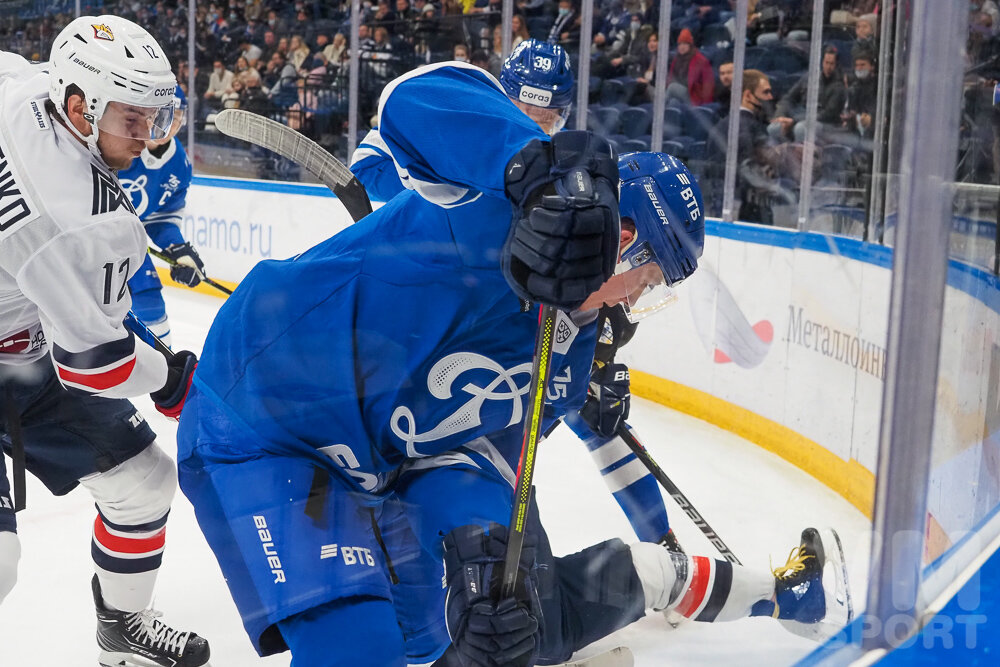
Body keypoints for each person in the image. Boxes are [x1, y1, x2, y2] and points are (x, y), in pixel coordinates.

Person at [176, 61, 852, 666]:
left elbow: (481, 455)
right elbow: (414, 97)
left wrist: (482, 544)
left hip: (373, 461)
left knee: (445, 628)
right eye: (648, 278)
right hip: (262, 415)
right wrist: (533, 168)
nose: (642, 296)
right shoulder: (493, 202)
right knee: (356, 646)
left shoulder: (570, 350)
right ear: (623, 242)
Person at [353, 37, 679, 550]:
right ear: (503, 96)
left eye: (550, 115)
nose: (539, 124)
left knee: (594, 416)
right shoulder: (459, 123)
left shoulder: (554, 166)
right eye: (526, 109)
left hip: (520, 302)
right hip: (440, 301)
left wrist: (598, 338)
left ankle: (662, 547)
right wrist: (465, 190)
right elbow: (368, 175)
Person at [0, 15, 207, 667]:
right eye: (130, 118)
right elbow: (99, 362)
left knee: (144, 483)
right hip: (37, 342)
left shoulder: (20, 80)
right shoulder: (83, 221)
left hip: (24, 346)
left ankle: (122, 626)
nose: (146, 135)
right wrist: (172, 377)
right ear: (76, 104)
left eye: (154, 116)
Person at [117, 86, 206, 348]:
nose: (170, 124)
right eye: (162, 115)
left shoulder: (180, 163)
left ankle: (160, 380)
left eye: (178, 116)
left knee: (150, 301)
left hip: (127, 244)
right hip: (86, 242)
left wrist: (176, 248)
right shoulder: (117, 144)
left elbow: (162, 215)